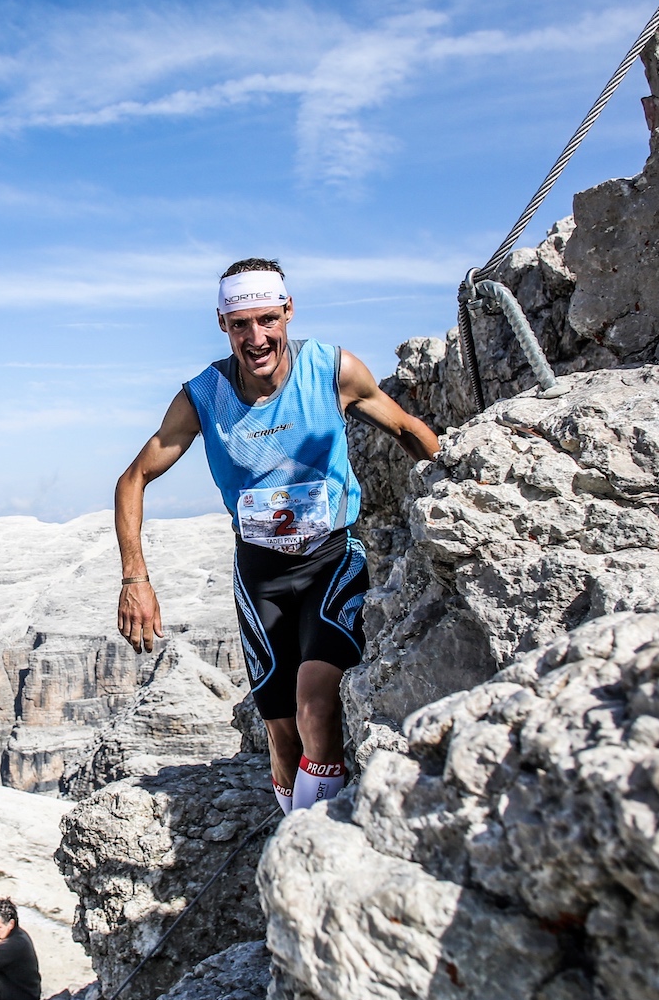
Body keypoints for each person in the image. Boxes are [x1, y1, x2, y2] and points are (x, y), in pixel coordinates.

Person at [113, 259, 440, 815]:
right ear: (223, 324)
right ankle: (296, 830)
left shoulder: (331, 370)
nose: (257, 337)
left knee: (316, 704)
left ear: (288, 311)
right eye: (241, 324)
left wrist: (462, 484)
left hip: (331, 562)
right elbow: (134, 478)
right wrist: (135, 579)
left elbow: (408, 430)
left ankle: (319, 838)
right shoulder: (203, 397)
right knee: (283, 738)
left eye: (267, 319)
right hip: (260, 578)